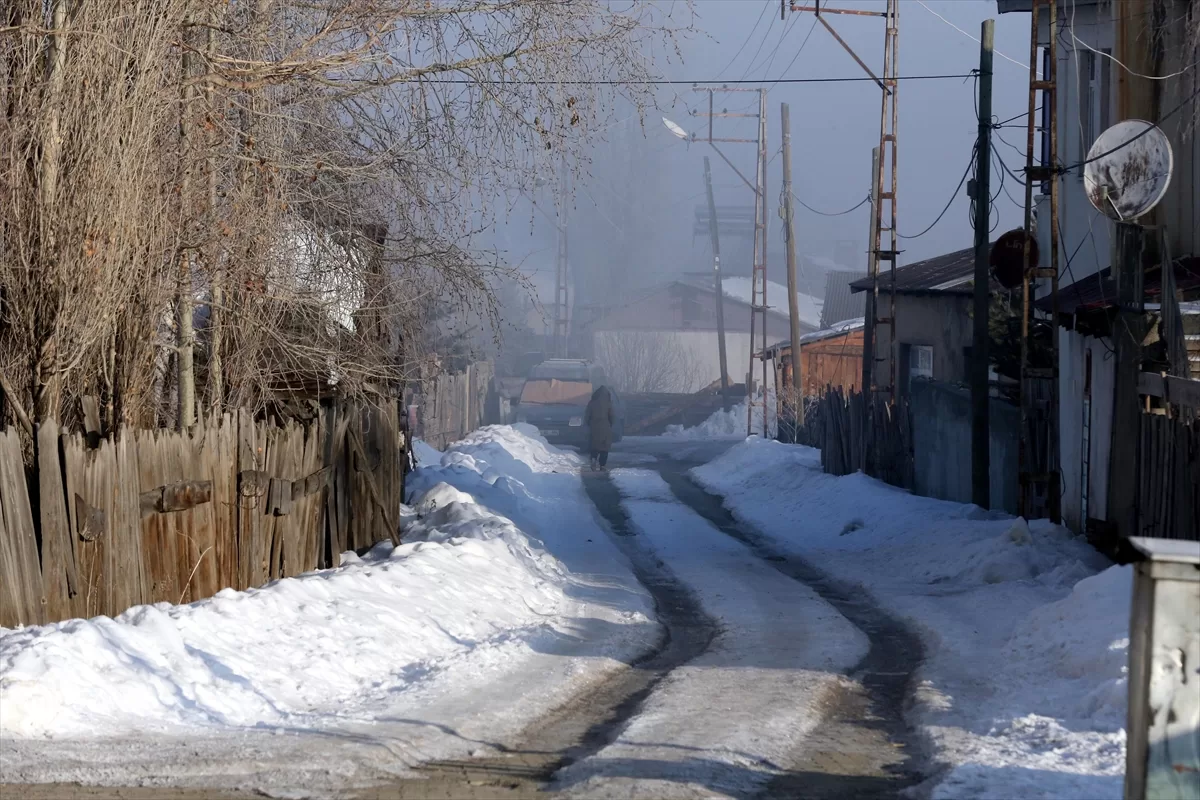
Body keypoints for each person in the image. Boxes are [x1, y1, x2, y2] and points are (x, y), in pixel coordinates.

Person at [584, 385, 615, 471]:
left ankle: (593, 459)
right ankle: (602, 465)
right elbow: (612, 416)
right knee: (605, 447)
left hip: (594, 427)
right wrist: (610, 424)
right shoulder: (608, 403)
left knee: (594, 445)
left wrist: (588, 424)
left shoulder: (592, 402)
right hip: (605, 427)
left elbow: (587, 415)